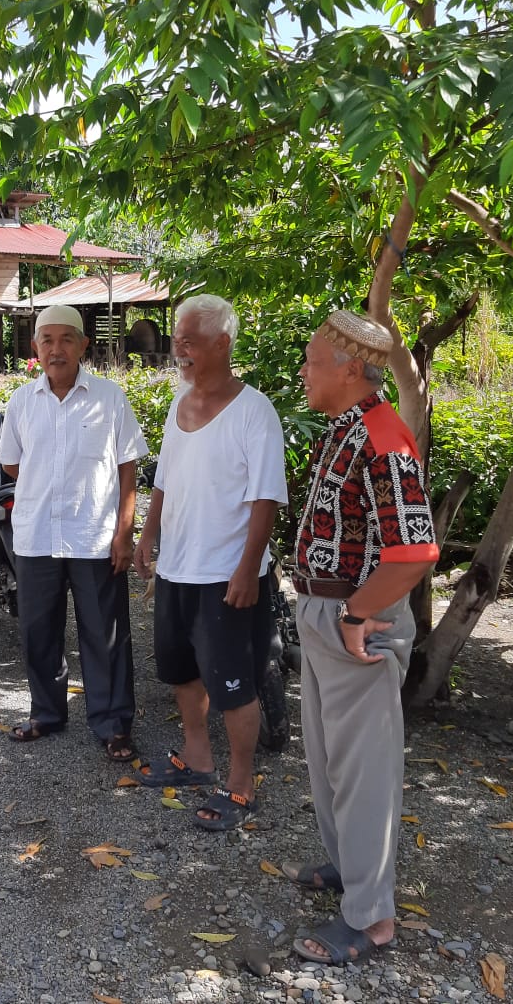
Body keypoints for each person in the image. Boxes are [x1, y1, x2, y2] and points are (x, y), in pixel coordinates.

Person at [283, 311, 439, 965]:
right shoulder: (348, 428)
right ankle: (351, 870)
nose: (303, 372)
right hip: (330, 617)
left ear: (350, 370)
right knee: (330, 762)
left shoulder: (382, 437)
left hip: (357, 625)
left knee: (364, 772)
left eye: (312, 362)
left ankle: (372, 921)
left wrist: (353, 616)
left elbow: (415, 552)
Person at [134, 294, 287, 831]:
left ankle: (241, 786)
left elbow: (266, 497)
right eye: (177, 338)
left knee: (234, 684)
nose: (179, 348)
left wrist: (248, 568)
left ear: (222, 343)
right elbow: (165, 478)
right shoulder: (179, 403)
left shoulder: (254, 411)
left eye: (190, 340)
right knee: (181, 669)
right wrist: (147, 534)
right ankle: (197, 758)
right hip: (177, 567)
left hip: (226, 574)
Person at [0, 304, 148, 763]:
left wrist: (124, 532)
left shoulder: (109, 398)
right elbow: (12, 464)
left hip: (94, 536)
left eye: (67, 339)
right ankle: (47, 713)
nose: (56, 349)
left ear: (84, 345)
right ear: (35, 347)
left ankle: (112, 723)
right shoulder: (22, 401)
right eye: (47, 340)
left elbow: (128, 467)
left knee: (105, 634)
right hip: (38, 535)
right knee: (38, 631)